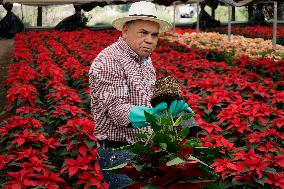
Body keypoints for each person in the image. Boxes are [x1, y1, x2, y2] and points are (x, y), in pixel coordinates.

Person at [89, 1, 192, 188]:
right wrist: (154, 116)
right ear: (125, 30)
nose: (150, 40)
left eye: (154, 35)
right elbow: (118, 111)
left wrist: (172, 107)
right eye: (143, 33)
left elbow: (145, 95)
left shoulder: (144, 59)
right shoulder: (108, 61)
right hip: (118, 152)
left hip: (144, 147)